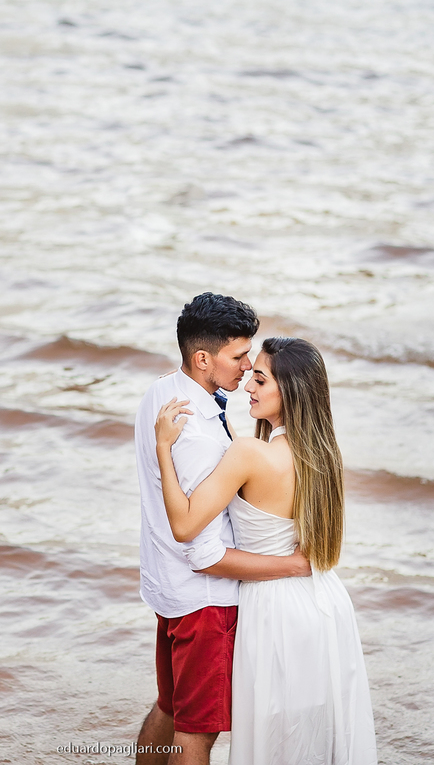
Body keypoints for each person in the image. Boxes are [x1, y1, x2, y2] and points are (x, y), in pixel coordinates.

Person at [155, 336, 377, 765]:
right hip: (325, 605)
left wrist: (164, 447)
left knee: (275, 742)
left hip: (273, 609)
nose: (247, 386)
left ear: (290, 391)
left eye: (259, 378)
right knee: (316, 739)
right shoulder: (324, 454)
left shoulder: (249, 454)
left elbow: (184, 525)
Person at [135, 294, 312, 765]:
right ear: (202, 358)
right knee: (198, 735)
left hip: (167, 590)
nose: (248, 366)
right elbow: (203, 551)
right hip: (206, 605)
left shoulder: (162, 393)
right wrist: (291, 565)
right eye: (238, 356)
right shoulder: (200, 438)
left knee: (170, 708)